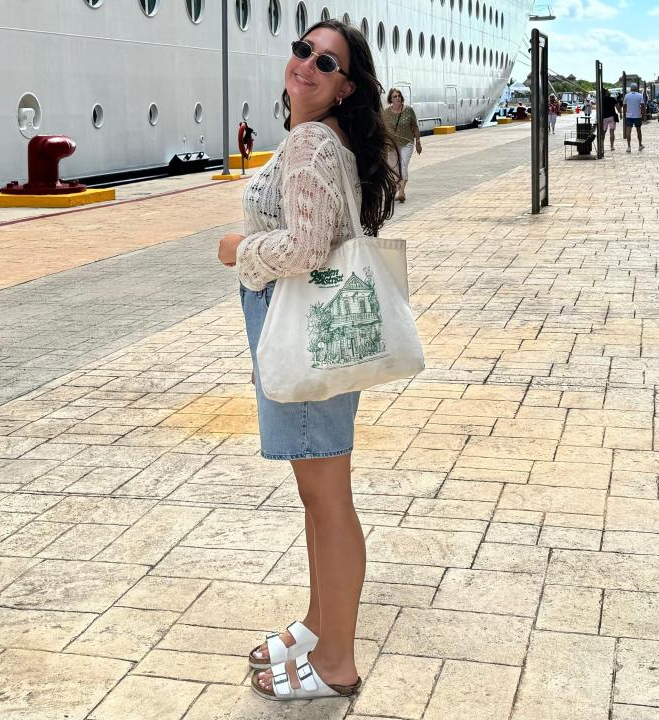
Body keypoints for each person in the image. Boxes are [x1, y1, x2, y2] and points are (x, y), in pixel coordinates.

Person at [217, 18, 398, 702]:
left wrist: (238, 250)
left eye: (326, 62)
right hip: (311, 332)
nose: (306, 65)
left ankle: (338, 663)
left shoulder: (313, 142)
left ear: (345, 85)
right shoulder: (322, 139)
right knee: (320, 496)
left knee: (326, 500)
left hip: (303, 331)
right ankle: (322, 628)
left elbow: (307, 250)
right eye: (303, 50)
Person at [383, 87, 421, 202]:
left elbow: (415, 126)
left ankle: (401, 191)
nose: (397, 98)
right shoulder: (386, 113)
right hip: (391, 145)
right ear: (391, 99)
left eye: (399, 96)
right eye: (395, 96)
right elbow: (383, 129)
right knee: (394, 168)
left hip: (406, 143)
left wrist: (418, 142)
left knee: (403, 165)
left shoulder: (408, 110)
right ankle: (398, 187)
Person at [622, 83, 645, 152]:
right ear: (636, 88)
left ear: (630, 88)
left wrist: (624, 114)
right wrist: (643, 115)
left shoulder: (626, 96)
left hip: (629, 116)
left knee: (628, 131)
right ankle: (640, 145)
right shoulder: (640, 95)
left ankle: (629, 146)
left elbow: (624, 106)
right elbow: (642, 106)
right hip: (637, 115)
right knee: (638, 130)